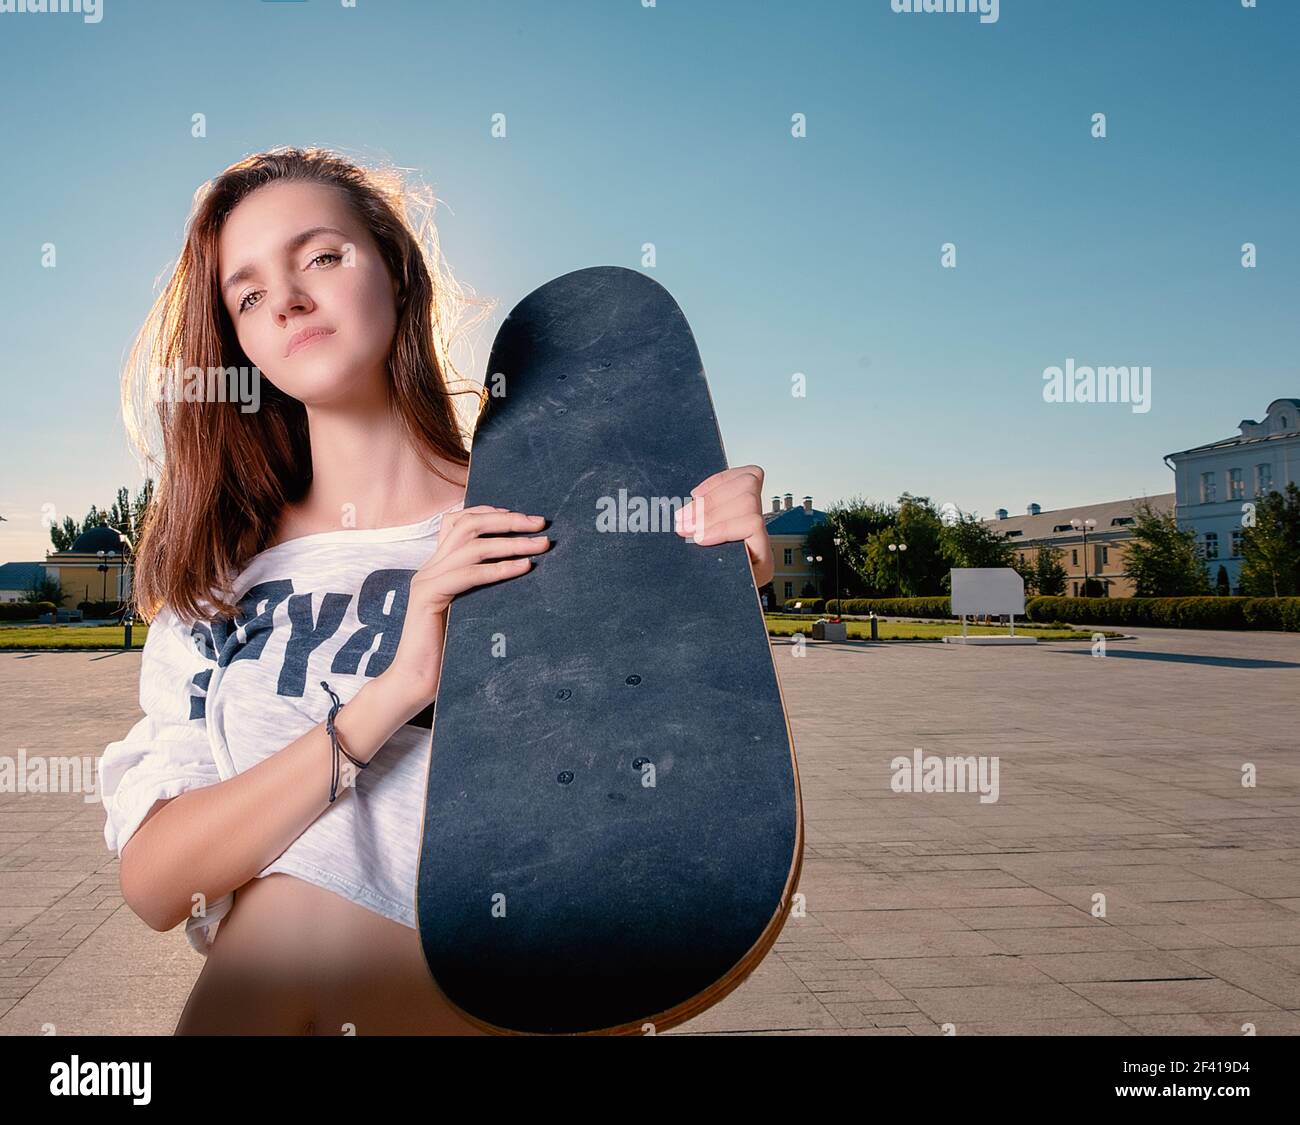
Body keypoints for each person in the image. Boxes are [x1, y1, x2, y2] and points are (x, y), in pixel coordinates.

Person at [99, 146, 775, 1035]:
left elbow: (646, 813)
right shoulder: (216, 585)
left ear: (396, 270)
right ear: (240, 339)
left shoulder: (544, 525)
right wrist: (396, 691)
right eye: (250, 293)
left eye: (322, 257)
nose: (290, 300)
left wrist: (705, 584)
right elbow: (157, 883)